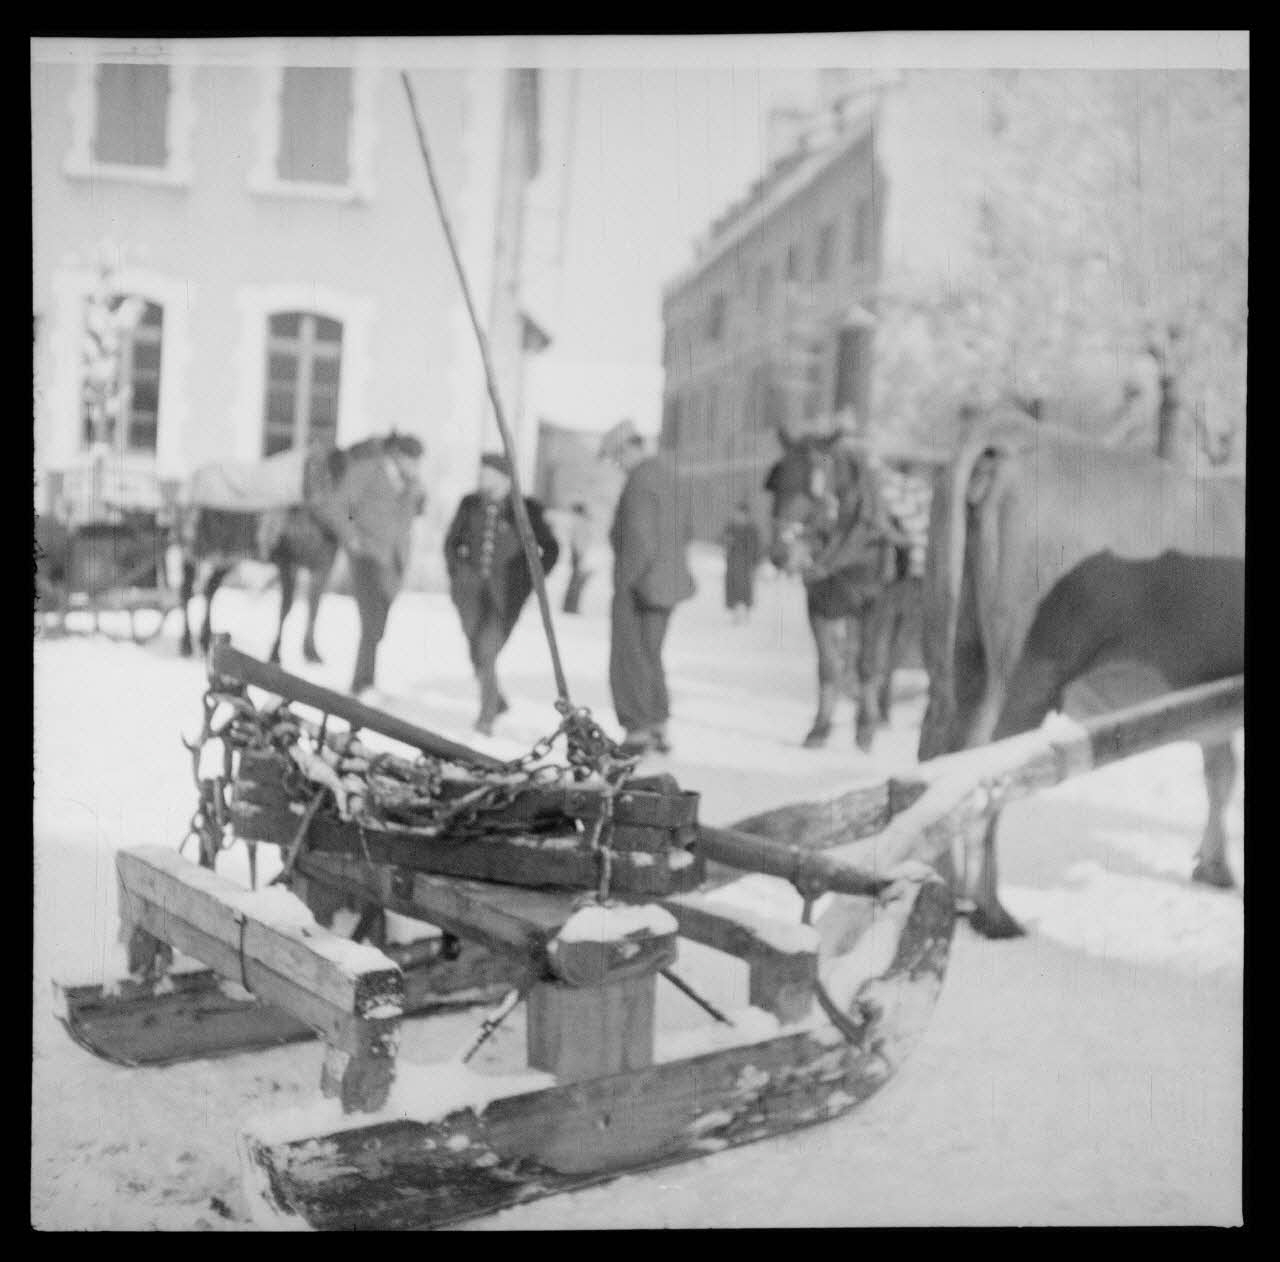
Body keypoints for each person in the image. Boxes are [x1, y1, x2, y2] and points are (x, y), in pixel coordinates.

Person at [599, 419, 696, 756]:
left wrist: (624, 583)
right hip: (666, 586)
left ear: (629, 448)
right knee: (651, 655)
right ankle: (658, 724)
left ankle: (638, 731)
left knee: (631, 656)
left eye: (616, 458)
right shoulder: (665, 476)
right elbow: (685, 530)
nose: (617, 466)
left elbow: (639, 538)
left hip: (640, 585)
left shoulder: (639, 481)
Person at [445, 452, 560, 735]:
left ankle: (486, 716)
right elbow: (450, 543)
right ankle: (497, 700)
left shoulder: (527, 509)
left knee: (486, 650)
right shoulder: (470, 503)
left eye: (488, 473)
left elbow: (551, 549)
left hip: (506, 595)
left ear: (503, 477)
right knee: (476, 649)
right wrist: (458, 573)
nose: (482, 478)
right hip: (470, 593)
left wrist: (530, 580)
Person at [312, 432, 426, 696]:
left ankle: (366, 680)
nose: (415, 468)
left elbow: (409, 516)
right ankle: (362, 683)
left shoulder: (410, 484)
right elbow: (344, 504)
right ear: (397, 456)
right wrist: (352, 535)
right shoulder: (368, 471)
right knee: (371, 619)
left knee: (378, 622)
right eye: (412, 461)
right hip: (365, 554)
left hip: (393, 560)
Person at [720, 500, 762, 623]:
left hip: (746, 564)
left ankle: (745, 613)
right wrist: (727, 543)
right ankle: (735, 613)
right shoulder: (731, 527)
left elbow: (756, 546)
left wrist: (755, 560)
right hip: (732, 563)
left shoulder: (751, 529)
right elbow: (722, 540)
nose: (739, 517)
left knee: (745, 589)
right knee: (733, 588)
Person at [561, 502, 593, 615]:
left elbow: (578, 540)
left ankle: (570, 606)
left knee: (575, 580)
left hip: (577, 553)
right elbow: (580, 540)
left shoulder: (579, 522)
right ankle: (570, 607)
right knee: (575, 580)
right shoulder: (581, 522)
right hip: (578, 553)